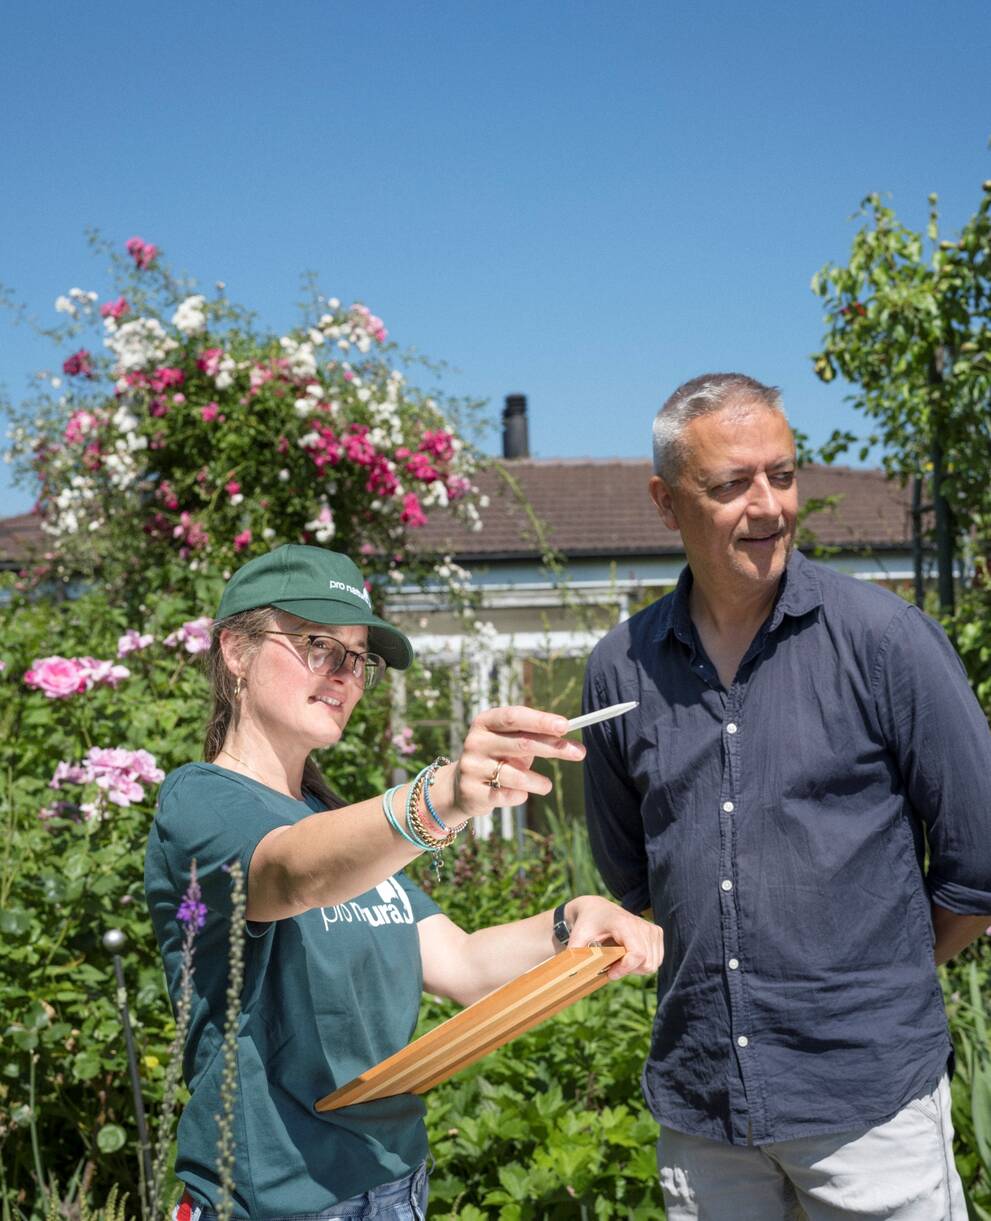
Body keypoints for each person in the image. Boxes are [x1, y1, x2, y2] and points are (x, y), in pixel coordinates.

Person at [145, 543, 663, 1221]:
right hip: (276, 1201)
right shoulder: (199, 801)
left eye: (357, 658)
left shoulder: (333, 820)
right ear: (236, 650)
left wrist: (575, 919)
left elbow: (463, 963)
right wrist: (442, 795)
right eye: (317, 644)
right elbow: (290, 873)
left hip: (396, 1186)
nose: (344, 674)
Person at [581, 373, 991, 1220]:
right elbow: (635, 881)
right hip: (704, 1111)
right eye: (731, 483)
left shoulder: (885, 641)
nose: (767, 505)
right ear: (665, 502)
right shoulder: (619, 672)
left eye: (782, 474)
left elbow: (979, 863)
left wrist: (872, 982)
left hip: (869, 1107)